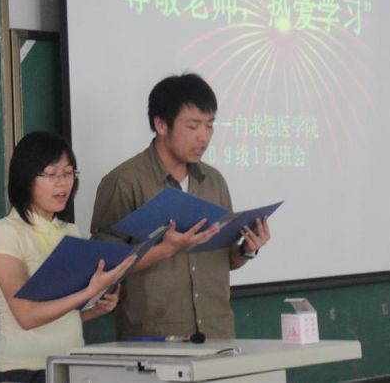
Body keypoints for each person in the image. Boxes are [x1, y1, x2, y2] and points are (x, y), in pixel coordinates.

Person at [90, 73, 271, 340]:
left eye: (210, 126)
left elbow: (224, 259)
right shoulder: (124, 182)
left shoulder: (213, 181)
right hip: (153, 338)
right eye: (193, 126)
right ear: (161, 124)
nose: (204, 137)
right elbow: (104, 267)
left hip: (216, 333)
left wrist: (247, 250)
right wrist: (165, 249)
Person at [0, 131, 135, 383]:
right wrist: (87, 292)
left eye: (68, 173)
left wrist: (95, 308)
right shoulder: (5, 232)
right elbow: (26, 316)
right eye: (51, 174)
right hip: (21, 370)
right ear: (26, 179)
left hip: (68, 363)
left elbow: (59, 318)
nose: (62, 183)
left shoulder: (69, 231)